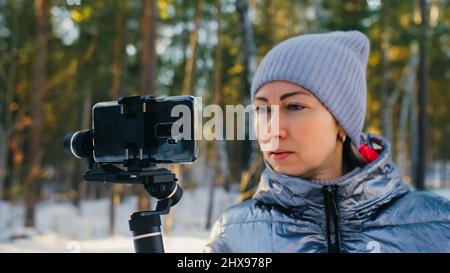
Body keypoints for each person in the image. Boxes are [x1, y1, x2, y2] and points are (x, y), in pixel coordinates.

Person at [204, 30, 450, 253]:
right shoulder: (234, 234)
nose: (273, 130)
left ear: (343, 122)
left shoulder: (439, 226)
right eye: (262, 109)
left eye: (295, 106)